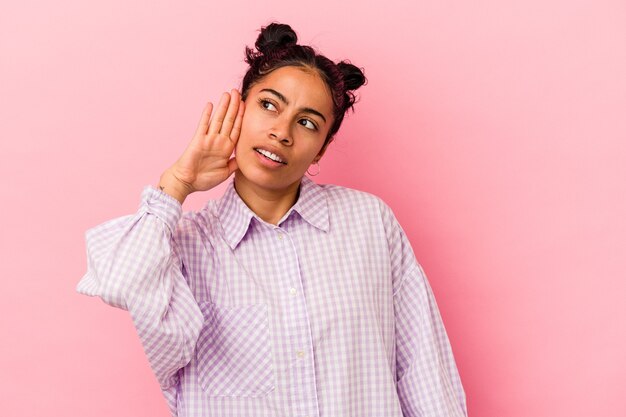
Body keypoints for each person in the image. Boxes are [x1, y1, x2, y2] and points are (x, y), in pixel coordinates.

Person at [77, 22, 467, 417]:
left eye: (308, 122)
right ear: (239, 111)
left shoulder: (369, 223)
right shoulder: (183, 244)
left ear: (320, 150)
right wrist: (177, 183)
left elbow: (424, 371)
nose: (282, 132)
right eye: (269, 105)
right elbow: (117, 283)